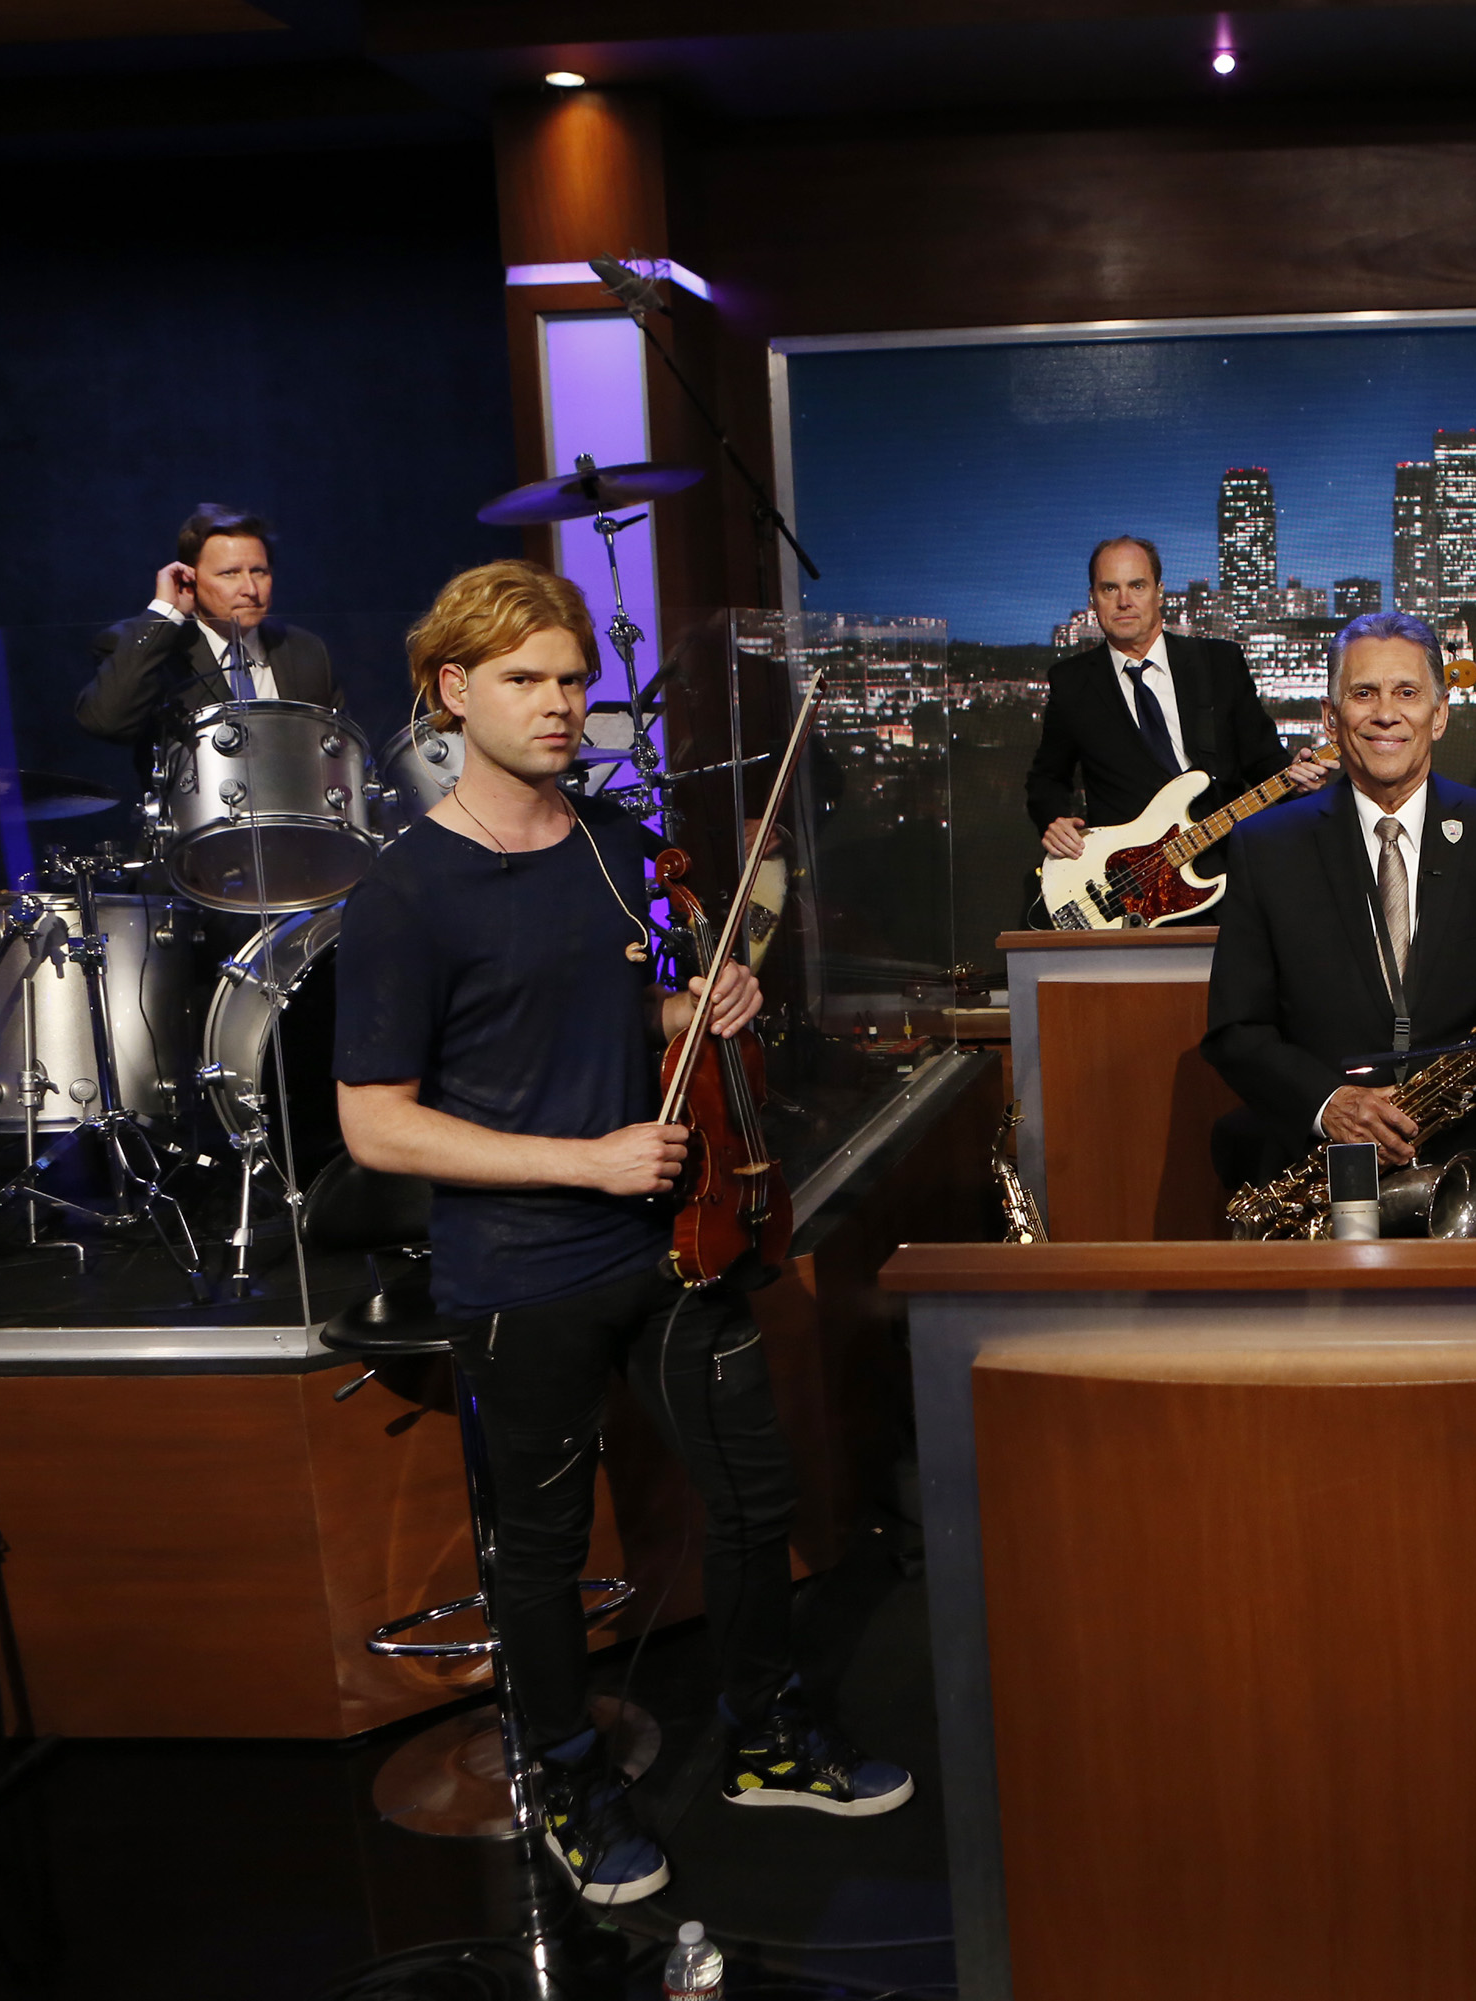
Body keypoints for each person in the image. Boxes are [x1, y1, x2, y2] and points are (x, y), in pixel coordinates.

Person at [334, 559, 909, 1909]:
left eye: (575, 678)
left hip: (674, 1246)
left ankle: (764, 1735)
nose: (559, 703)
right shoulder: (406, 892)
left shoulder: (610, 843)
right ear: (451, 691)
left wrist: (696, 1012)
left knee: (757, 1497)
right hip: (521, 1271)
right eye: (526, 679)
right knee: (541, 1556)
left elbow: (607, 1018)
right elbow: (376, 1125)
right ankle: (573, 1790)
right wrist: (580, 1162)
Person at [1202, 611, 1476, 1239]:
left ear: (1440, 712)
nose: (1385, 714)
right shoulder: (1265, 846)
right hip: (1320, 1183)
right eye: (1363, 693)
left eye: (1406, 692)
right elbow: (1236, 1029)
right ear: (1330, 718)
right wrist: (1330, 1104)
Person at [1025, 535, 1325, 887]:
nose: (1124, 601)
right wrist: (1054, 820)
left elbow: (1263, 760)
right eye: (1110, 589)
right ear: (1093, 599)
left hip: (1226, 872)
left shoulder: (1220, 663)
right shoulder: (1072, 682)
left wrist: (1297, 781)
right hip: (1130, 884)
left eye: (1137, 585)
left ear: (1159, 592)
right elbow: (1046, 778)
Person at [77, 503, 343, 773]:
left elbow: (340, 752)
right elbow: (106, 722)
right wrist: (163, 613)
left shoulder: (305, 649)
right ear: (189, 579)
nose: (250, 589)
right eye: (230, 573)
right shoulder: (153, 647)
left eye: (259, 572)